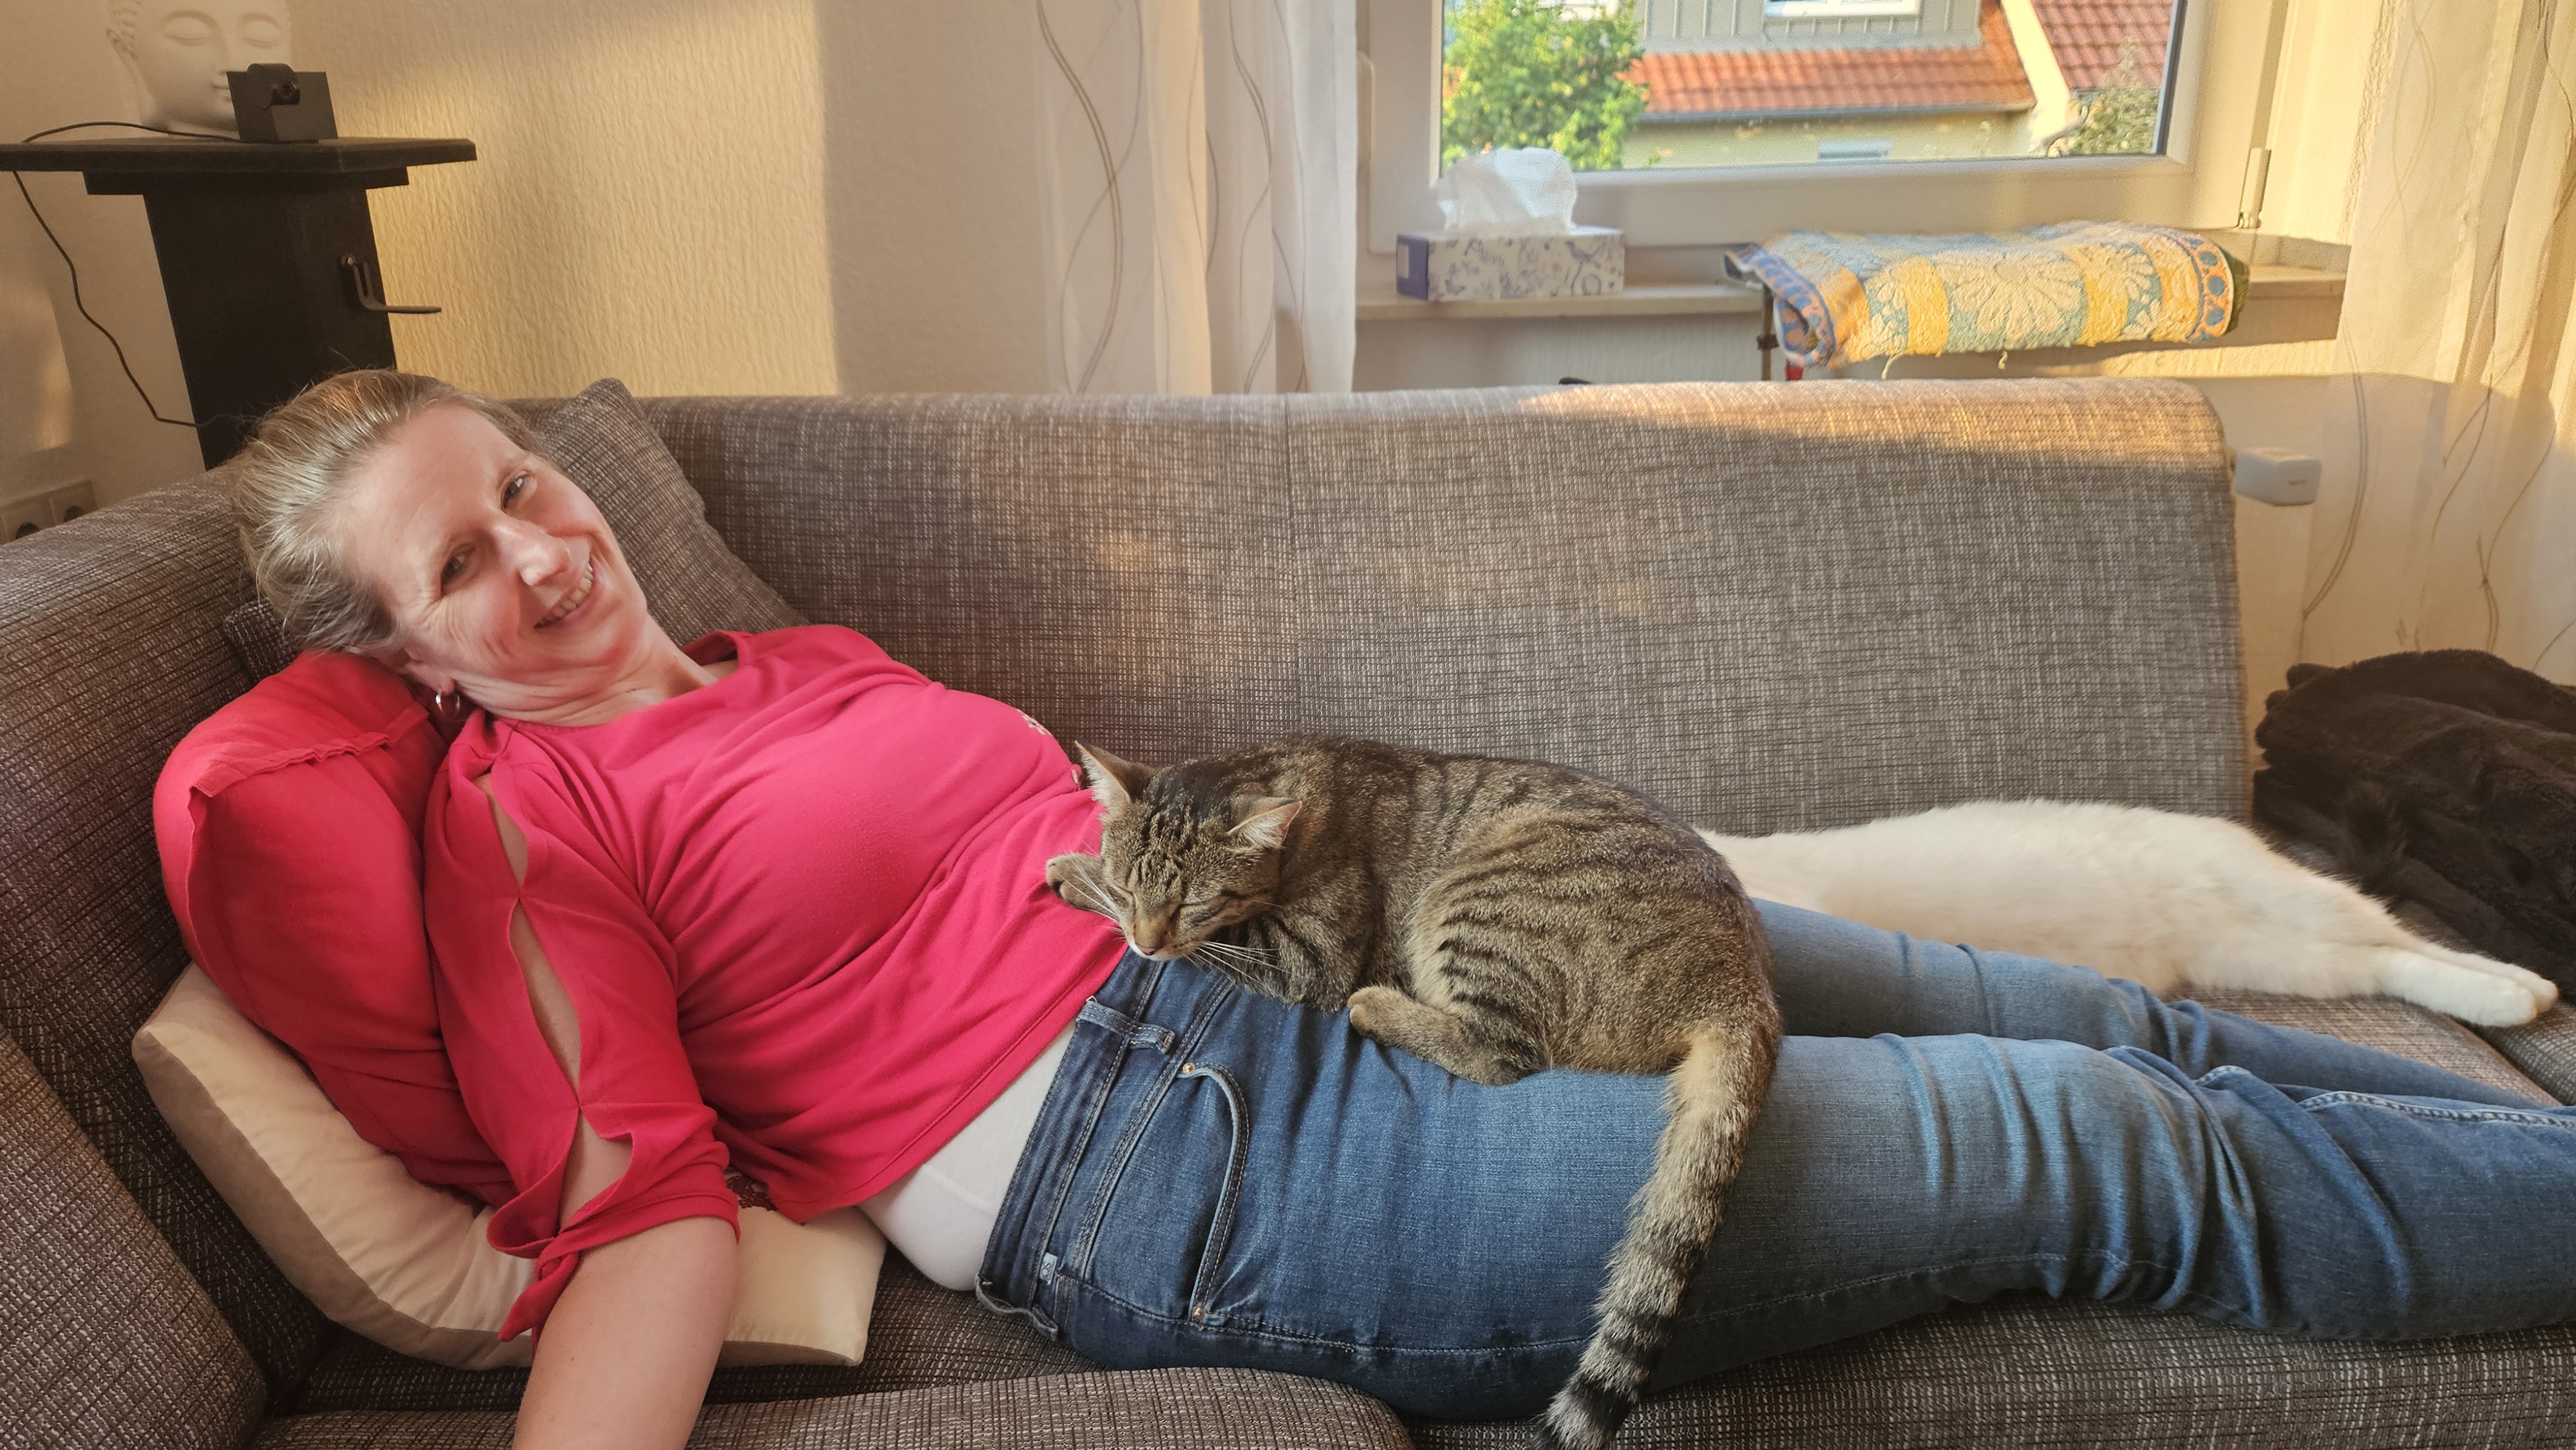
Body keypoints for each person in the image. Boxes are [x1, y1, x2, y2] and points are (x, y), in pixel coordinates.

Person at [230, 370, 2576, 1450]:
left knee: (2070, 1004)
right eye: (462, 564)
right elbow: (642, 1217)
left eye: (519, 483)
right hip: (1185, 1168)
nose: (542, 550)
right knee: (2092, 1141)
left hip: (1335, 958)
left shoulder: (787, 656)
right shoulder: (525, 836)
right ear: (409, 662)